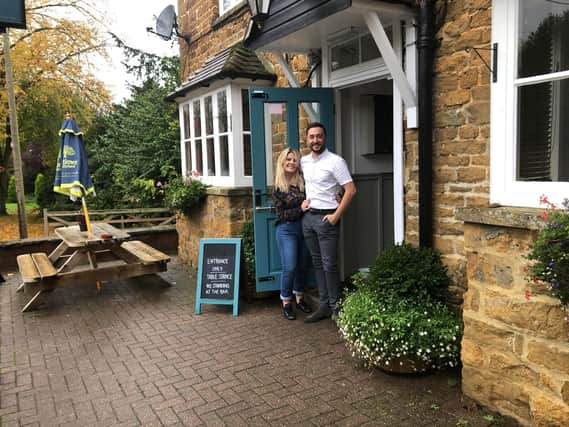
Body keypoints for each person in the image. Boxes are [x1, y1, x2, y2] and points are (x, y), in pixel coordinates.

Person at [301, 122, 356, 323]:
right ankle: (324, 306)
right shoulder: (304, 162)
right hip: (308, 219)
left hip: (327, 219)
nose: (315, 140)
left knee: (329, 265)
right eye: (312, 137)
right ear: (307, 139)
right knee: (317, 264)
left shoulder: (336, 161)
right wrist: (301, 203)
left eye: (319, 136)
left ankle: (336, 308)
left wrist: (336, 216)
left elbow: (351, 190)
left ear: (325, 138)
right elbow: (298, 182)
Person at [273, 148, 313, 320]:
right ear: (282, 162)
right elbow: (281, 215)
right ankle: (286, 302)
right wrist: (300, 208)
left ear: (298, 164)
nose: (291, 162)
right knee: (289, 267)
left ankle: (299, 297)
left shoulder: (303, 182)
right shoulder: (278, 187)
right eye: (288, 159)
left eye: (294, 160)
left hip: (304, 228)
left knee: (303, 265)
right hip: (286, 230)